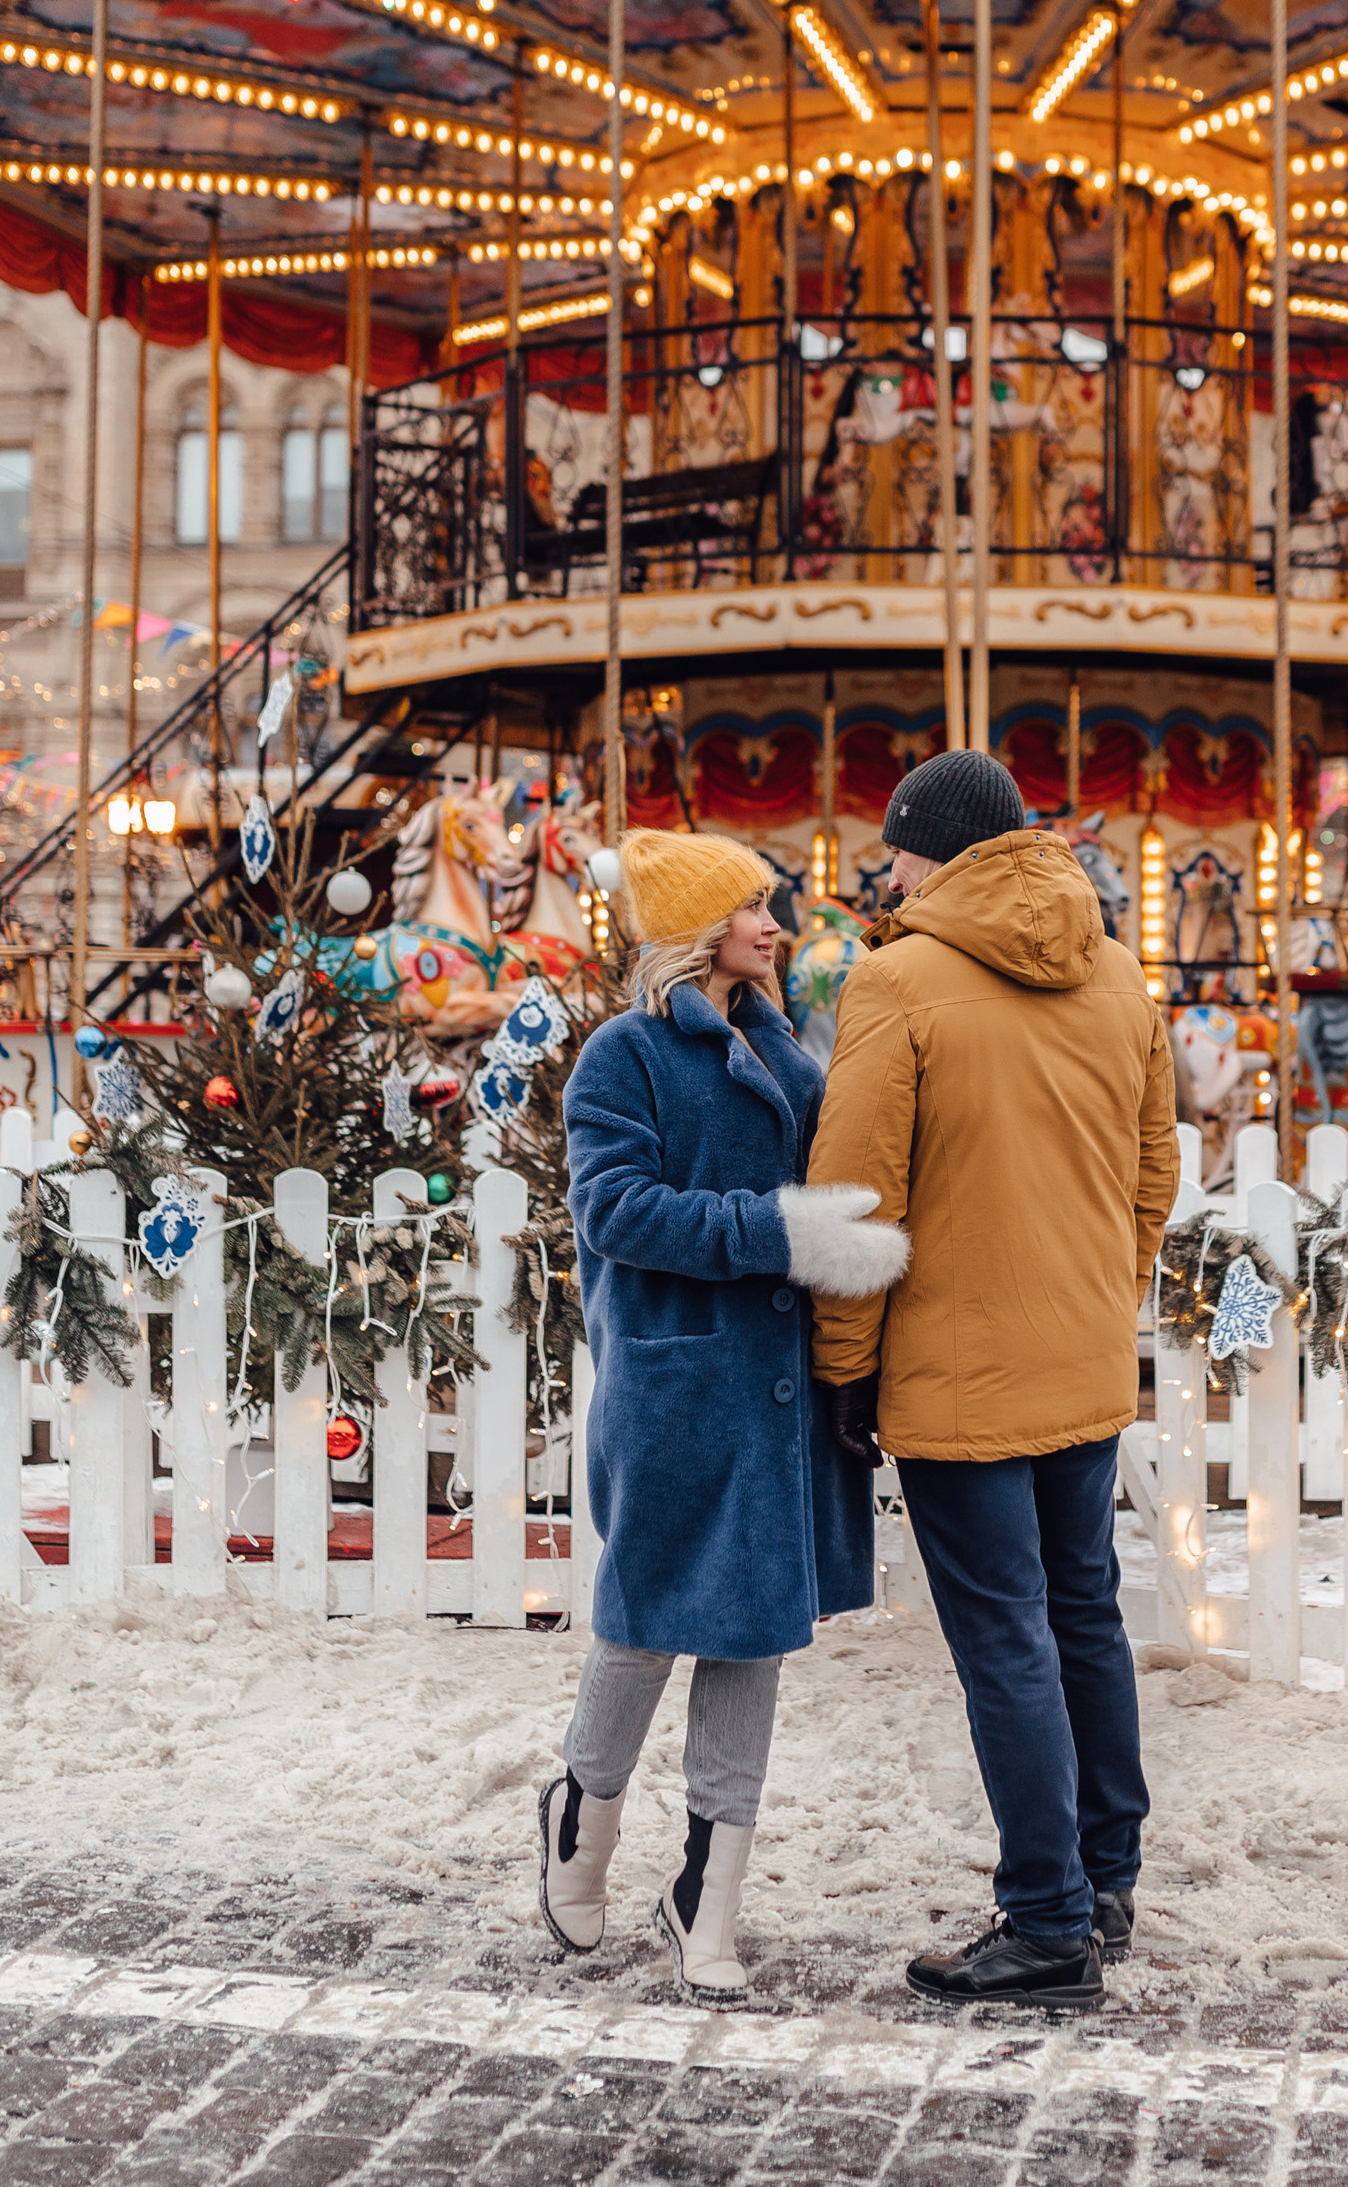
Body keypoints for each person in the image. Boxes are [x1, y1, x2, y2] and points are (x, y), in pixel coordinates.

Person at [806, 750, 1180, 2010]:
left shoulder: (896, 978)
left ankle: (1044, 1921)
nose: (886, 874)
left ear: (932, 852)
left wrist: (845, 1370)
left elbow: (859, 1200)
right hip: (1076, 1355)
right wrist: (1098, 1296)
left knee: (1004, 1637)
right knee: (1083, 1612)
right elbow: (1152, 1172)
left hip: (958, 1372)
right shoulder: (1119, 970)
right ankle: (1105, 1878)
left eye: (896, 853)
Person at [537, 828, 908, 1997]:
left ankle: (708, 1896)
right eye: (753, 906)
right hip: (678, 1387)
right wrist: (777, 1232)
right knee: (645, 1620)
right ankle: (580, 1811)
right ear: (700, 928)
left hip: (782, 1393)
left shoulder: (791, 1058)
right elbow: (615, 1214)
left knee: (754, 1632)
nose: (775, 924)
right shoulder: (622, 1058)